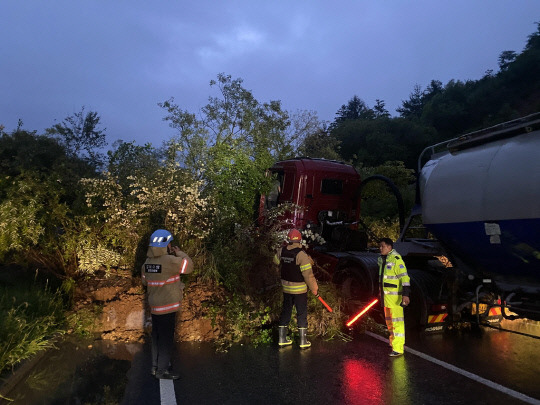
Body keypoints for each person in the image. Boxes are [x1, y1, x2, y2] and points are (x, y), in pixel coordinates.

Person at [141, 229, 194, 379]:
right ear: (166, 244)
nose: (171, 245)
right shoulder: (170, 261)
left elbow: (145, 281)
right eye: (170, 243)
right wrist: (180, 253)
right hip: (168, 307)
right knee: (166, 340)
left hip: (155, 307)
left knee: (157, 337)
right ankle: (162, 371)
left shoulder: (147, 263)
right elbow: (188, 266)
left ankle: (155, 366)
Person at [274, 228, 318, 349]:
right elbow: (308, 275)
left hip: (286, 288)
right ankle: (303, 341)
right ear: (300, 240)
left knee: (286, 310)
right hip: (299, 290)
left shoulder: (281, 250)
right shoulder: (301, 255)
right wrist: (314, 288)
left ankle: (282, 339)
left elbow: (275, 262)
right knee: (301, 313)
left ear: (288, 239)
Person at [378, 237, 410, 357]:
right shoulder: (382, 260)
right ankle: (393, 343)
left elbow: (405, 278)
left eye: (383, 246)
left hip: (396, 299)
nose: (380, 248)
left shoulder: (396, 260)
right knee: (390, 323)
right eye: (380, 246)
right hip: (387, 299)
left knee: (397, 323)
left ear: (390, 247)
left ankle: (398, 348)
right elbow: (382, 278)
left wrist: (406, 294)